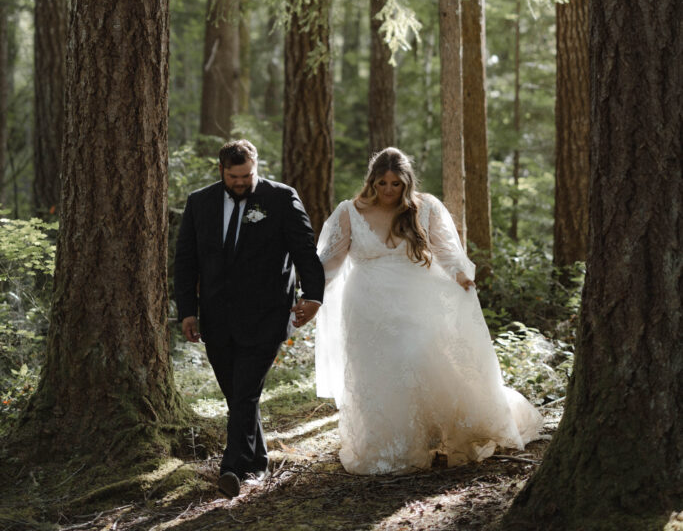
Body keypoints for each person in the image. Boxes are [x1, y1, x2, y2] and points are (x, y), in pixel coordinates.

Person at [315, 147, 543, 475]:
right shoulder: (350, 212)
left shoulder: (425, 207)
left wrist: (461, 275)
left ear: (406, 183)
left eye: (396, 184)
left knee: (417, 359)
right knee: (378, 372)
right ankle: (392, 445)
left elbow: (446, 248)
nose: (389, 190)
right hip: (366, 307)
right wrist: (310, 290)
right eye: (383, 183)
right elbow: (331, 260)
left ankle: (435, 433)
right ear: (372, 181)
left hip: (416, 301)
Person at [174, 139, 324, 498]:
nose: (242, 182)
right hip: (216, 316)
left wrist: (313, 296)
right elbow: (185, 261)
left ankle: (231, 467)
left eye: (247, 175)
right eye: (234, 176)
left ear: (256, 167)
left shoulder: (281, 197)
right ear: (221, 170)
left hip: (267, 312)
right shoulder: (200, 202)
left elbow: (305, 249)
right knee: (238, 393)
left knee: (244, 391)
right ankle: (256, 459)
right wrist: (188, 311)